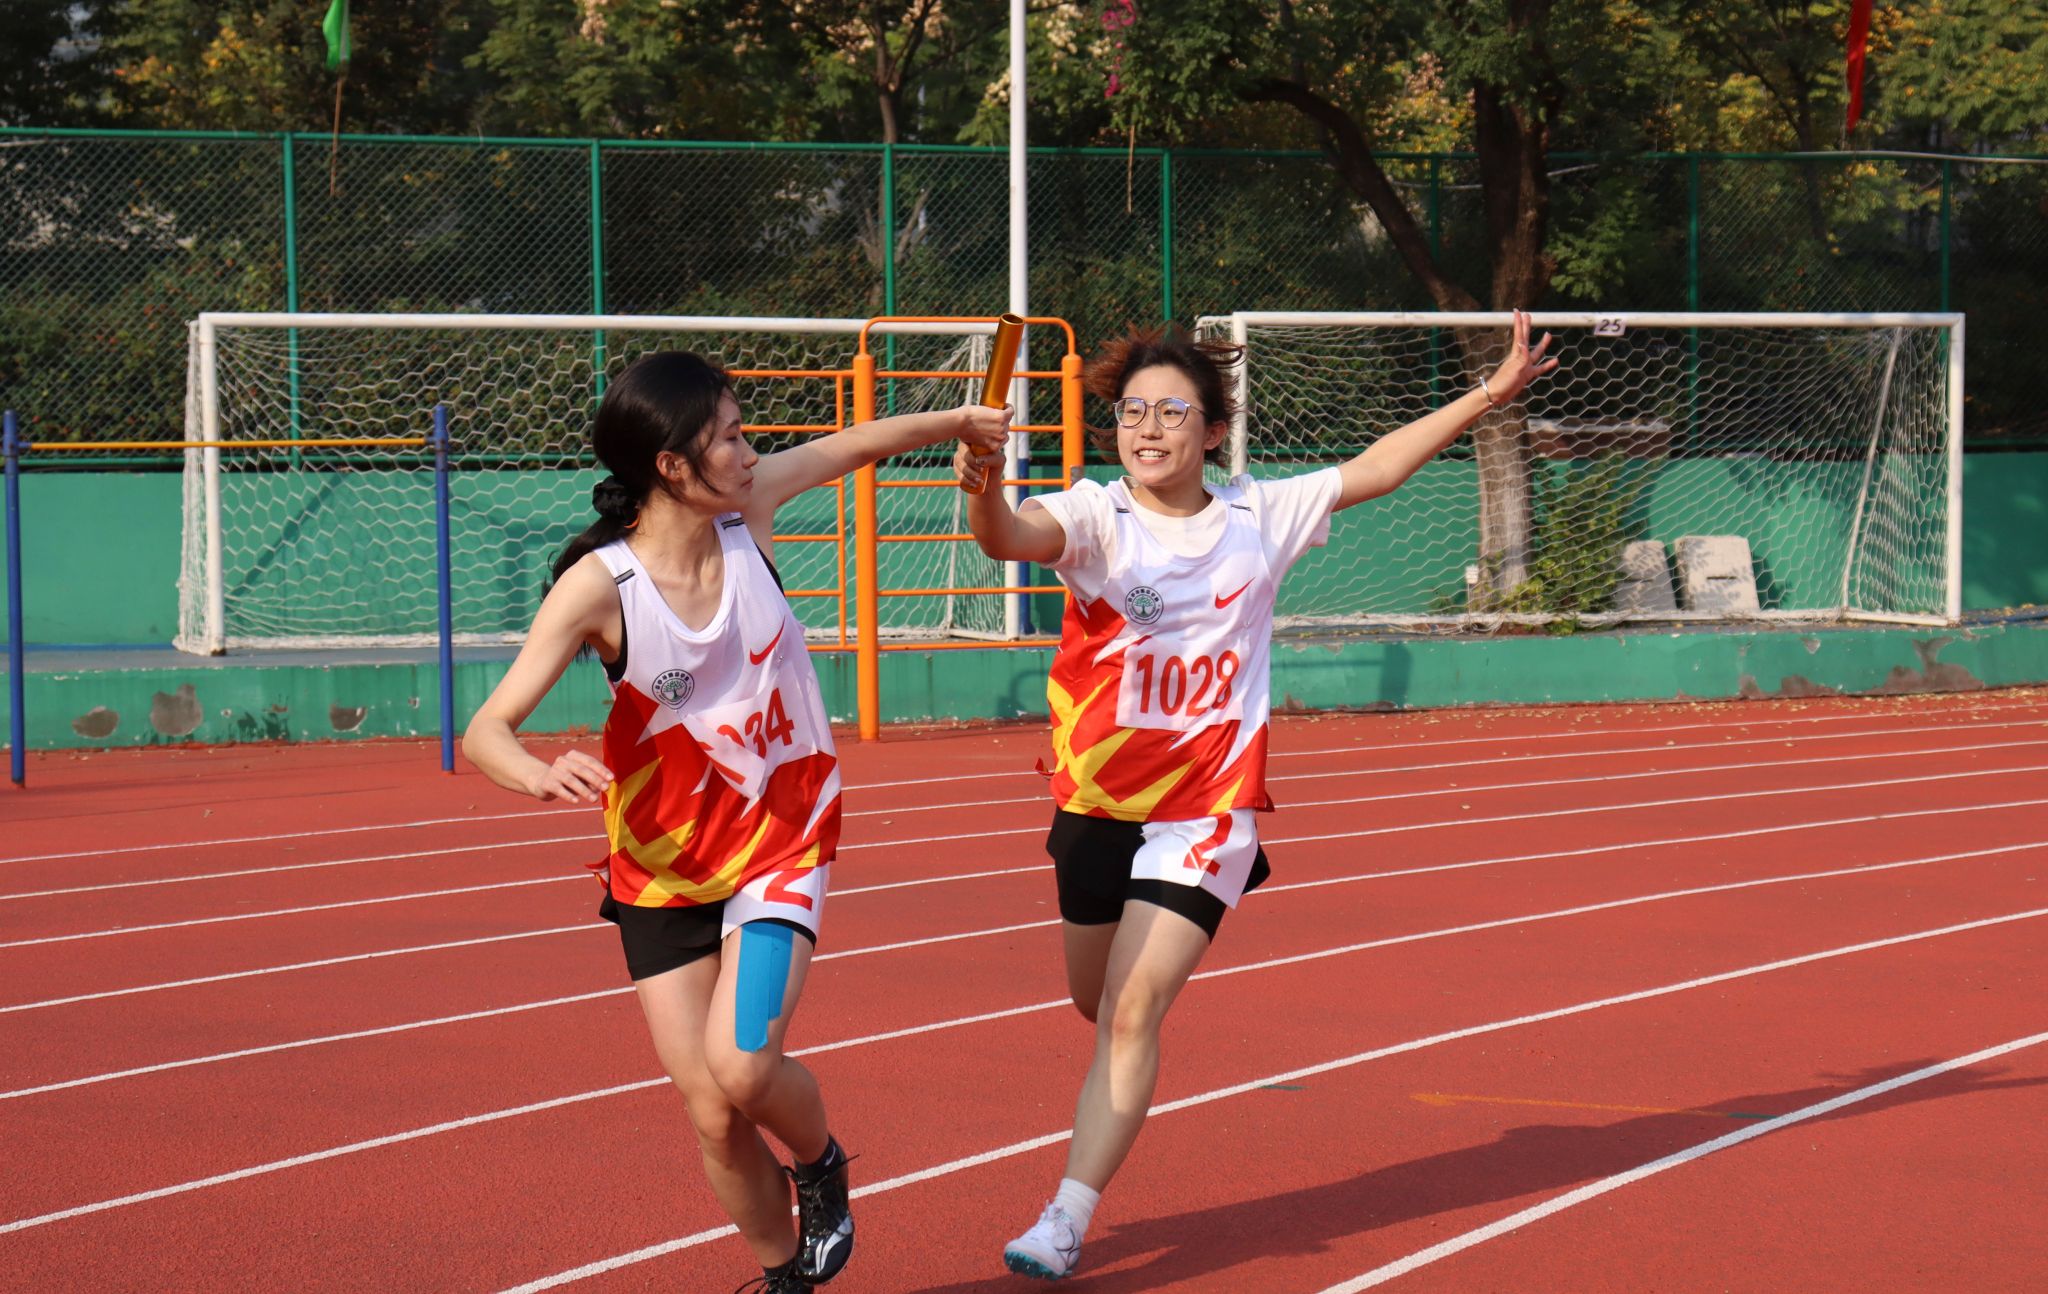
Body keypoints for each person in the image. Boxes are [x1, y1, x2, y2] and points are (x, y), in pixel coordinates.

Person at [953, 312, 1557, 1280]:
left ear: (1213, 430)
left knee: (1132, 1010)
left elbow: (1377, 467)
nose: (1146, 429)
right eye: (1133, 412)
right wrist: (981, 491)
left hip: (1203, 811)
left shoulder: (1256, 518)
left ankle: (1064, 1217)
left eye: (1170, 413)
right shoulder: (1094, 516)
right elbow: (1005, 540)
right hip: (1098, 804)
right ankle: (1111, 1081)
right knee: (1094, 1001)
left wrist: (1487, 394)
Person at [464, 351, 1011, 1294]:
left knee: (745, 1068)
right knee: (711, 1113)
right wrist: (537, 769)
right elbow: (486, 730)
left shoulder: (746, 518)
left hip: (780, 840)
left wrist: (957, 421)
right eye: (728, 435)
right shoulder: (602, 587)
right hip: (661, 865)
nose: (750, 451)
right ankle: (785, 1278)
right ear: (672, 465)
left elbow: (849, 447)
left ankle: (822, 1165)